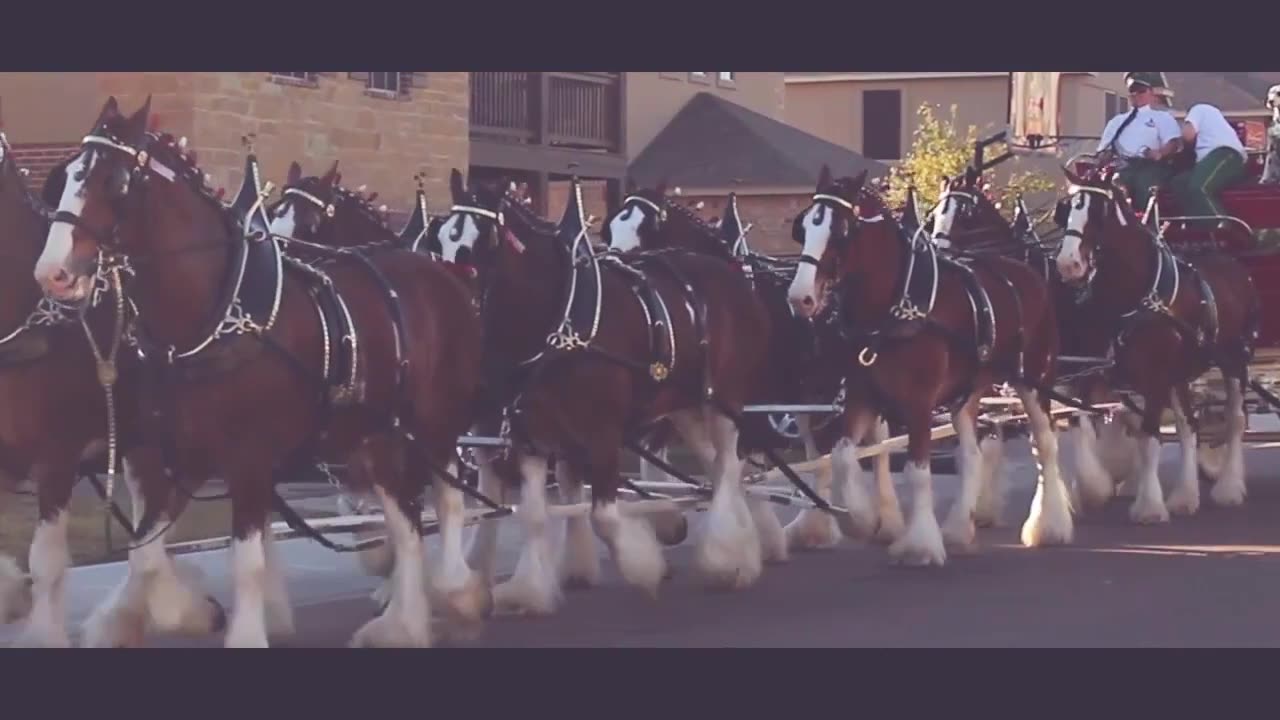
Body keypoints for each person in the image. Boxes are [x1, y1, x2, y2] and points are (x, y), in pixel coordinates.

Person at [1095, 72, 1182, 210]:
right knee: (1115, 185)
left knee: (1146, 186)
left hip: (1152, 166)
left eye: (1141, 91)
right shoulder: (1117, 121)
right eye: (1132, 91)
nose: (1136, 94)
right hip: (1124, 166)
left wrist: (1160, 153)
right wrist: (1103, 157)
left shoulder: (1163, 117)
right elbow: (1103, 150)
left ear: (1151, 92)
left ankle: (1147, 226)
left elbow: (1173, 143)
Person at [1171, 101, 1248, 229]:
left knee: (1200, 187)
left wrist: (1172, 144)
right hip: (1212, 159)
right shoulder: (1214, 119)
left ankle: (1223, 227)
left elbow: (1188, 135)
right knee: (1179, 182)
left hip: (1225, 155)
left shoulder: (1198, 109)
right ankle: (1195, 226)